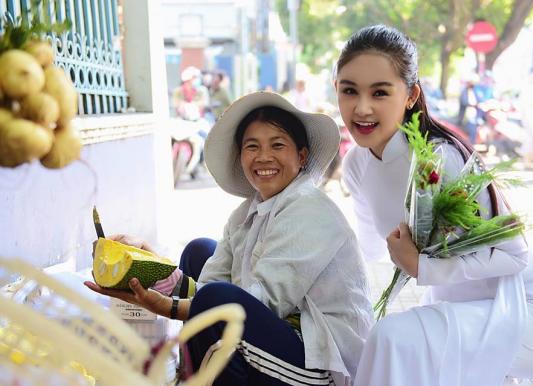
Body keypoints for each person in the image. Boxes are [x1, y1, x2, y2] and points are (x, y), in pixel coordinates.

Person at [333, 25, 533, 386]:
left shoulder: (438, 160)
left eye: (380, 92)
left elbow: (514, 255)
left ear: (410, 95)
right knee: (375, 340)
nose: (362, 107)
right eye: (349, 90)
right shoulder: (356, 163)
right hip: (467, 309)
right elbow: (366, 251)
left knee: (393, 339)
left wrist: (421, 265)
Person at [85, 91, 374, 386]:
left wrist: (169, 308)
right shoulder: (245, 213)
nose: (264, 157)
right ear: (241, 156)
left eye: (277, 145)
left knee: (218, 303)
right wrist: (149, 264)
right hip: (278, 336)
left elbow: (262, 301)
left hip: (321, 363)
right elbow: (208, 284)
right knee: (198, 252)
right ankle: (198, 373)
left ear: (301, 157)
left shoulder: (310, 210)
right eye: (252, 147)